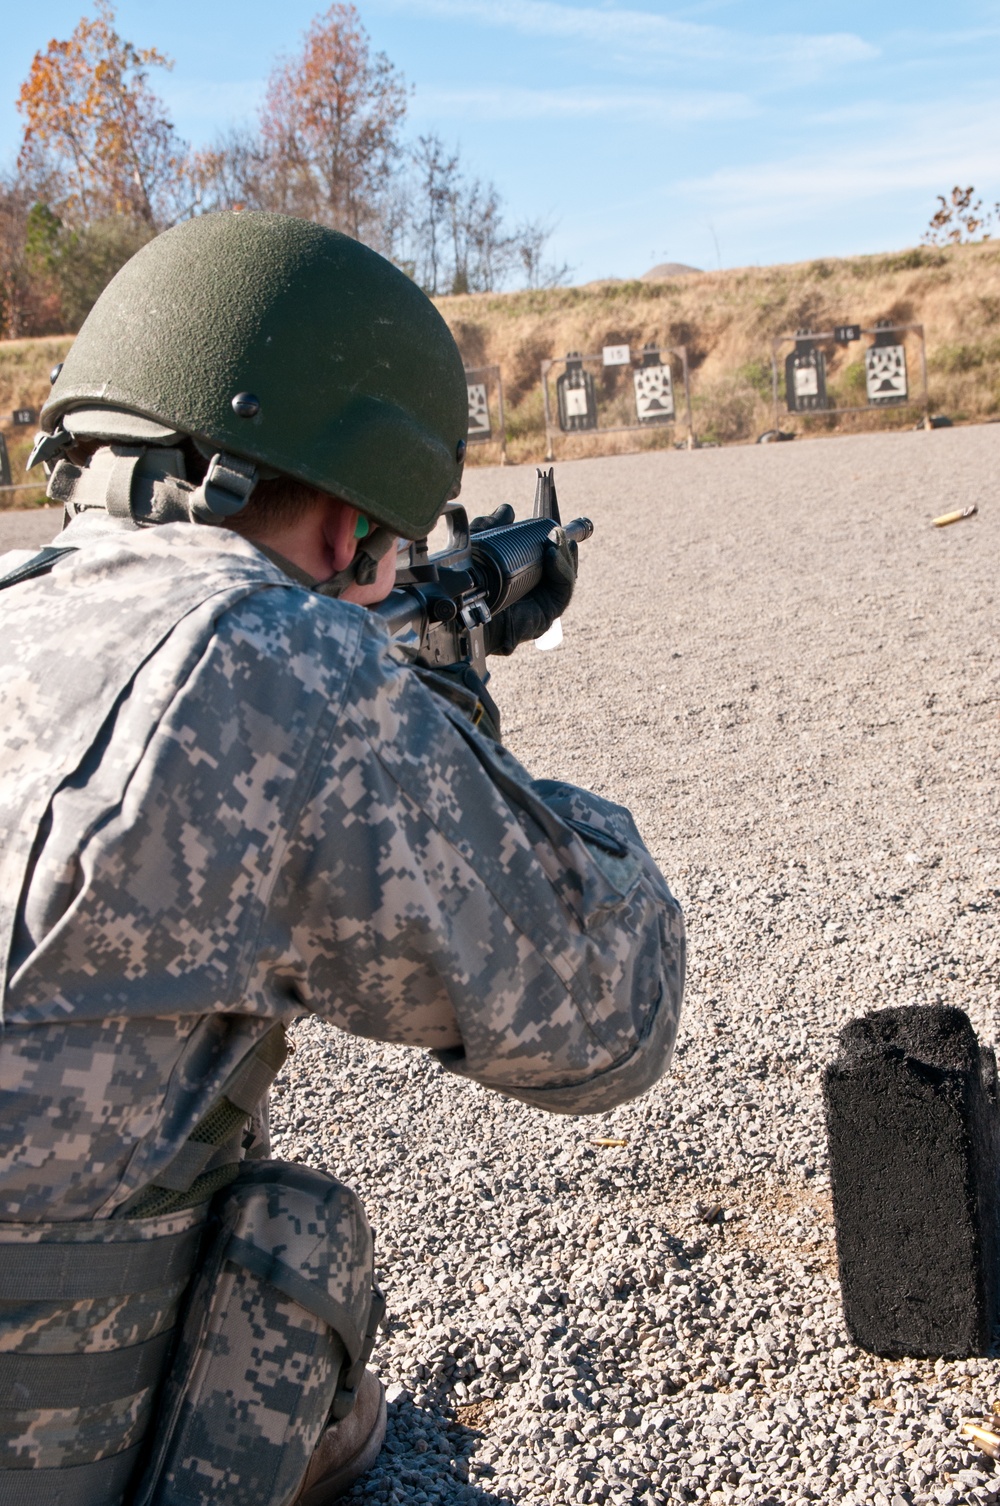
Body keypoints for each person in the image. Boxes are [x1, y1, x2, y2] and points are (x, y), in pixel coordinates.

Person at [0, 211, 685, 1506]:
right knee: (298, 1269)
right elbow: (609, 1019)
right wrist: (447, 717)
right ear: (353, 537)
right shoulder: (260, 666)